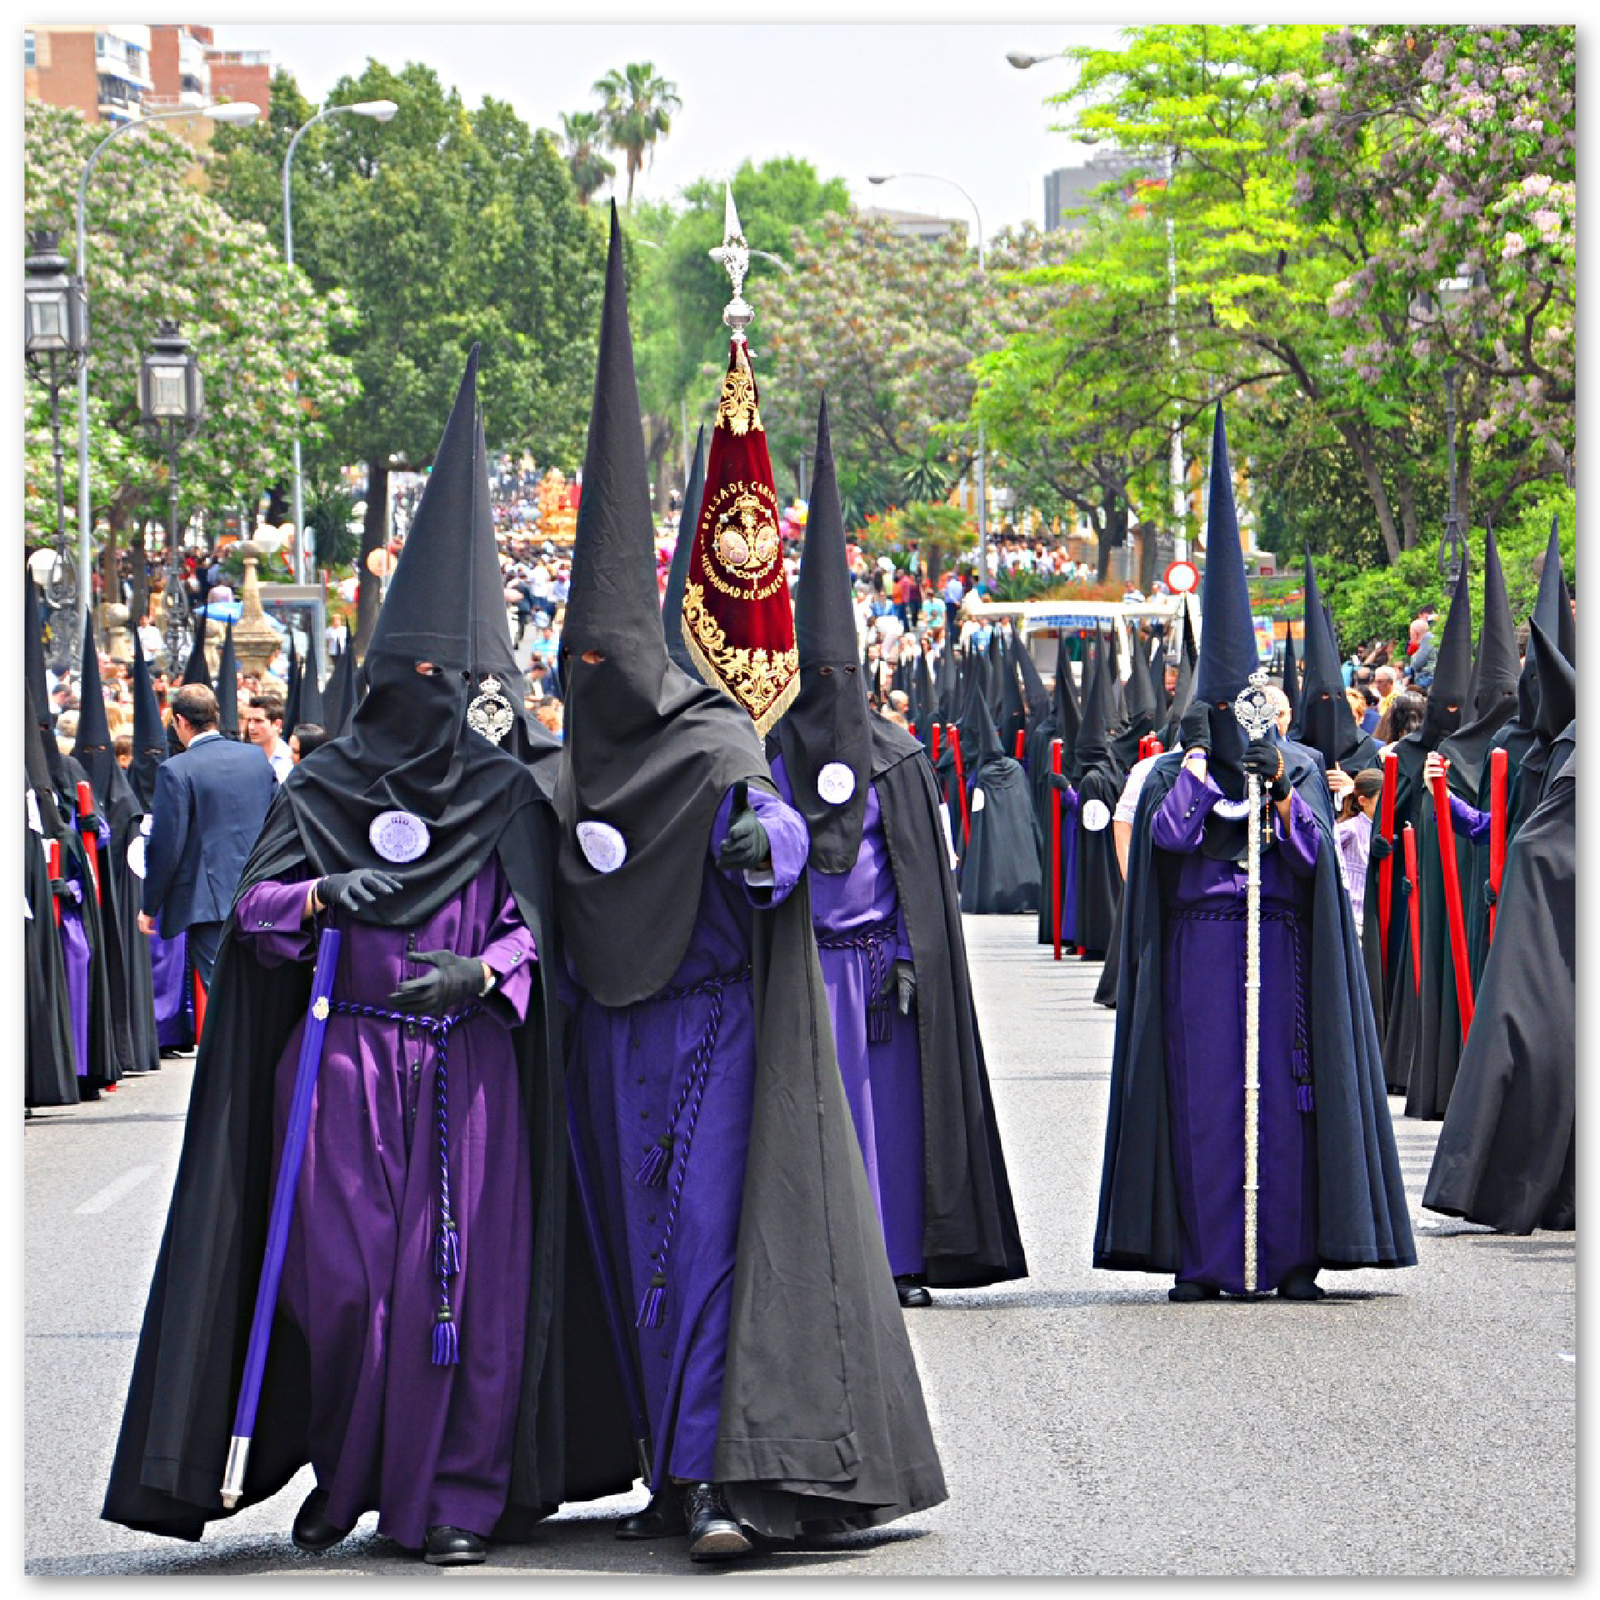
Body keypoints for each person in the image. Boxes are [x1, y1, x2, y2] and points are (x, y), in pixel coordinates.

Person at [103, 347, 635, 1564]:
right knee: (344, 1291)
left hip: (471, 1067)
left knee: (470, 1293)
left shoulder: (506, 793)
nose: (429, 693)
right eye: (413, 673)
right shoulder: (326, 783)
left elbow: (537, 929)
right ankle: (351, 1473)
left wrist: (487, 973)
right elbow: (251, 914)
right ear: (381, 671)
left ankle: (450, 1501)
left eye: (449, 676)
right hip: (343, 1064)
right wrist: (318, 892)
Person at [560, 212, 944, 1561]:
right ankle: (664, 1466)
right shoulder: (567, 765)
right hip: (607, 1047)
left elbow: (776, 824)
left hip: (717, 1033)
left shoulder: (713, 739)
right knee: (635, 1259)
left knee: (717, 1252)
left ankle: (729, 1474)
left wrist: (762, 848)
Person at [1095, 405, 1414, 1302]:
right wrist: (1203, 768)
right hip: (1200, 947)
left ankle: (1289, 1255)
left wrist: (1277, 788)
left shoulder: (1297, 765)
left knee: (1283, 1096)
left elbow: (1315, 859)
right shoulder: (1175, 771)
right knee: (1204, 1100)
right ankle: (1203, 1260)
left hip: (1279, 945)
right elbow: (1166, 840)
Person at [770, 397, 1026, 1310]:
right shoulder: (766, 757)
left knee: (892, 1119)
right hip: (803, 968)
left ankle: (900, 1259)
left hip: (882, 977)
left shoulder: (898, 757)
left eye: (841, 675)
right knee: (813, 1120)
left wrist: (916, 957)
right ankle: (819, 1267)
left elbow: (924, 878)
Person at [137, 683, 276, 992]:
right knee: (259, 991)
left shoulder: (175, 769)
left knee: (223, 994)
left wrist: (150, 905)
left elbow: (167, 846)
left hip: (209, 904)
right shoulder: (255, 758)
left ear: (180, 721)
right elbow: (276, 820)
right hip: (262, 890)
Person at [244, 691, 293, 783]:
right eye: (249, 720)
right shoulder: (244, 758)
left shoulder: (290, 759)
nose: (251, 727)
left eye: (258, 721)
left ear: (277, 724)